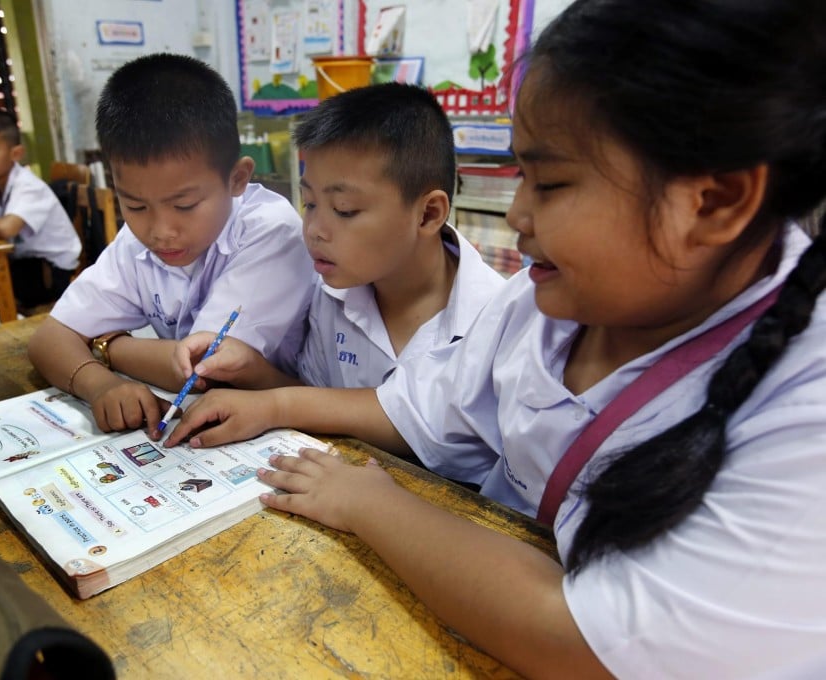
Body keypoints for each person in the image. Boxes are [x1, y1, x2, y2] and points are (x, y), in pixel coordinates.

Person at [203, 1, 826, 676]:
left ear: (715, 203)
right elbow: (416, 408)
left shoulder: (805, 415)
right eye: (521, 176)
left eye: (552, 183)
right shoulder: (549, 298)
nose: (519, 215)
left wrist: (369, 503)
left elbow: (574, 641)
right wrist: (269, 405)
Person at [164, 83, 504, 447]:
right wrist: (255, 371)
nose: (314, 231)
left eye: (344, 210)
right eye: (309, 204)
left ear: (428, 214)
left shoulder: (496, 318)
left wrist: (274, 405)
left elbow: (423, 427)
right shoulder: (334, 292)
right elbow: (316, 399)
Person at [27, 53, 314, 434]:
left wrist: (108, 346)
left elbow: (208, 371)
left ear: (237, 179)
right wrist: (100, 385)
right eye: (134, 204)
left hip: (291, 425)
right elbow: (48, 339)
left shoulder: (271, 231)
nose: (161, 230)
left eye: (185, 205)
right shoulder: (137, 240)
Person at [0, 108, 82, 312]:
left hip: (50, 273)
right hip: (23, 265)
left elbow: (7, 228)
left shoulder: (28, 186)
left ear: (15, 154)